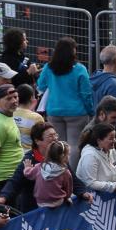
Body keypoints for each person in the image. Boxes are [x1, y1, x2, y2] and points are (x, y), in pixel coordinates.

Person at [36, 38, 94, 167]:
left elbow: (40, 85)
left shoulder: (49, 68)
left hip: (54, 111)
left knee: (58, 144)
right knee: (74, 145)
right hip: (77, 112)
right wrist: (90, 111)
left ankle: (60, 171)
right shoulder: (79, 69)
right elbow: (86, 93)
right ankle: (73, 176)